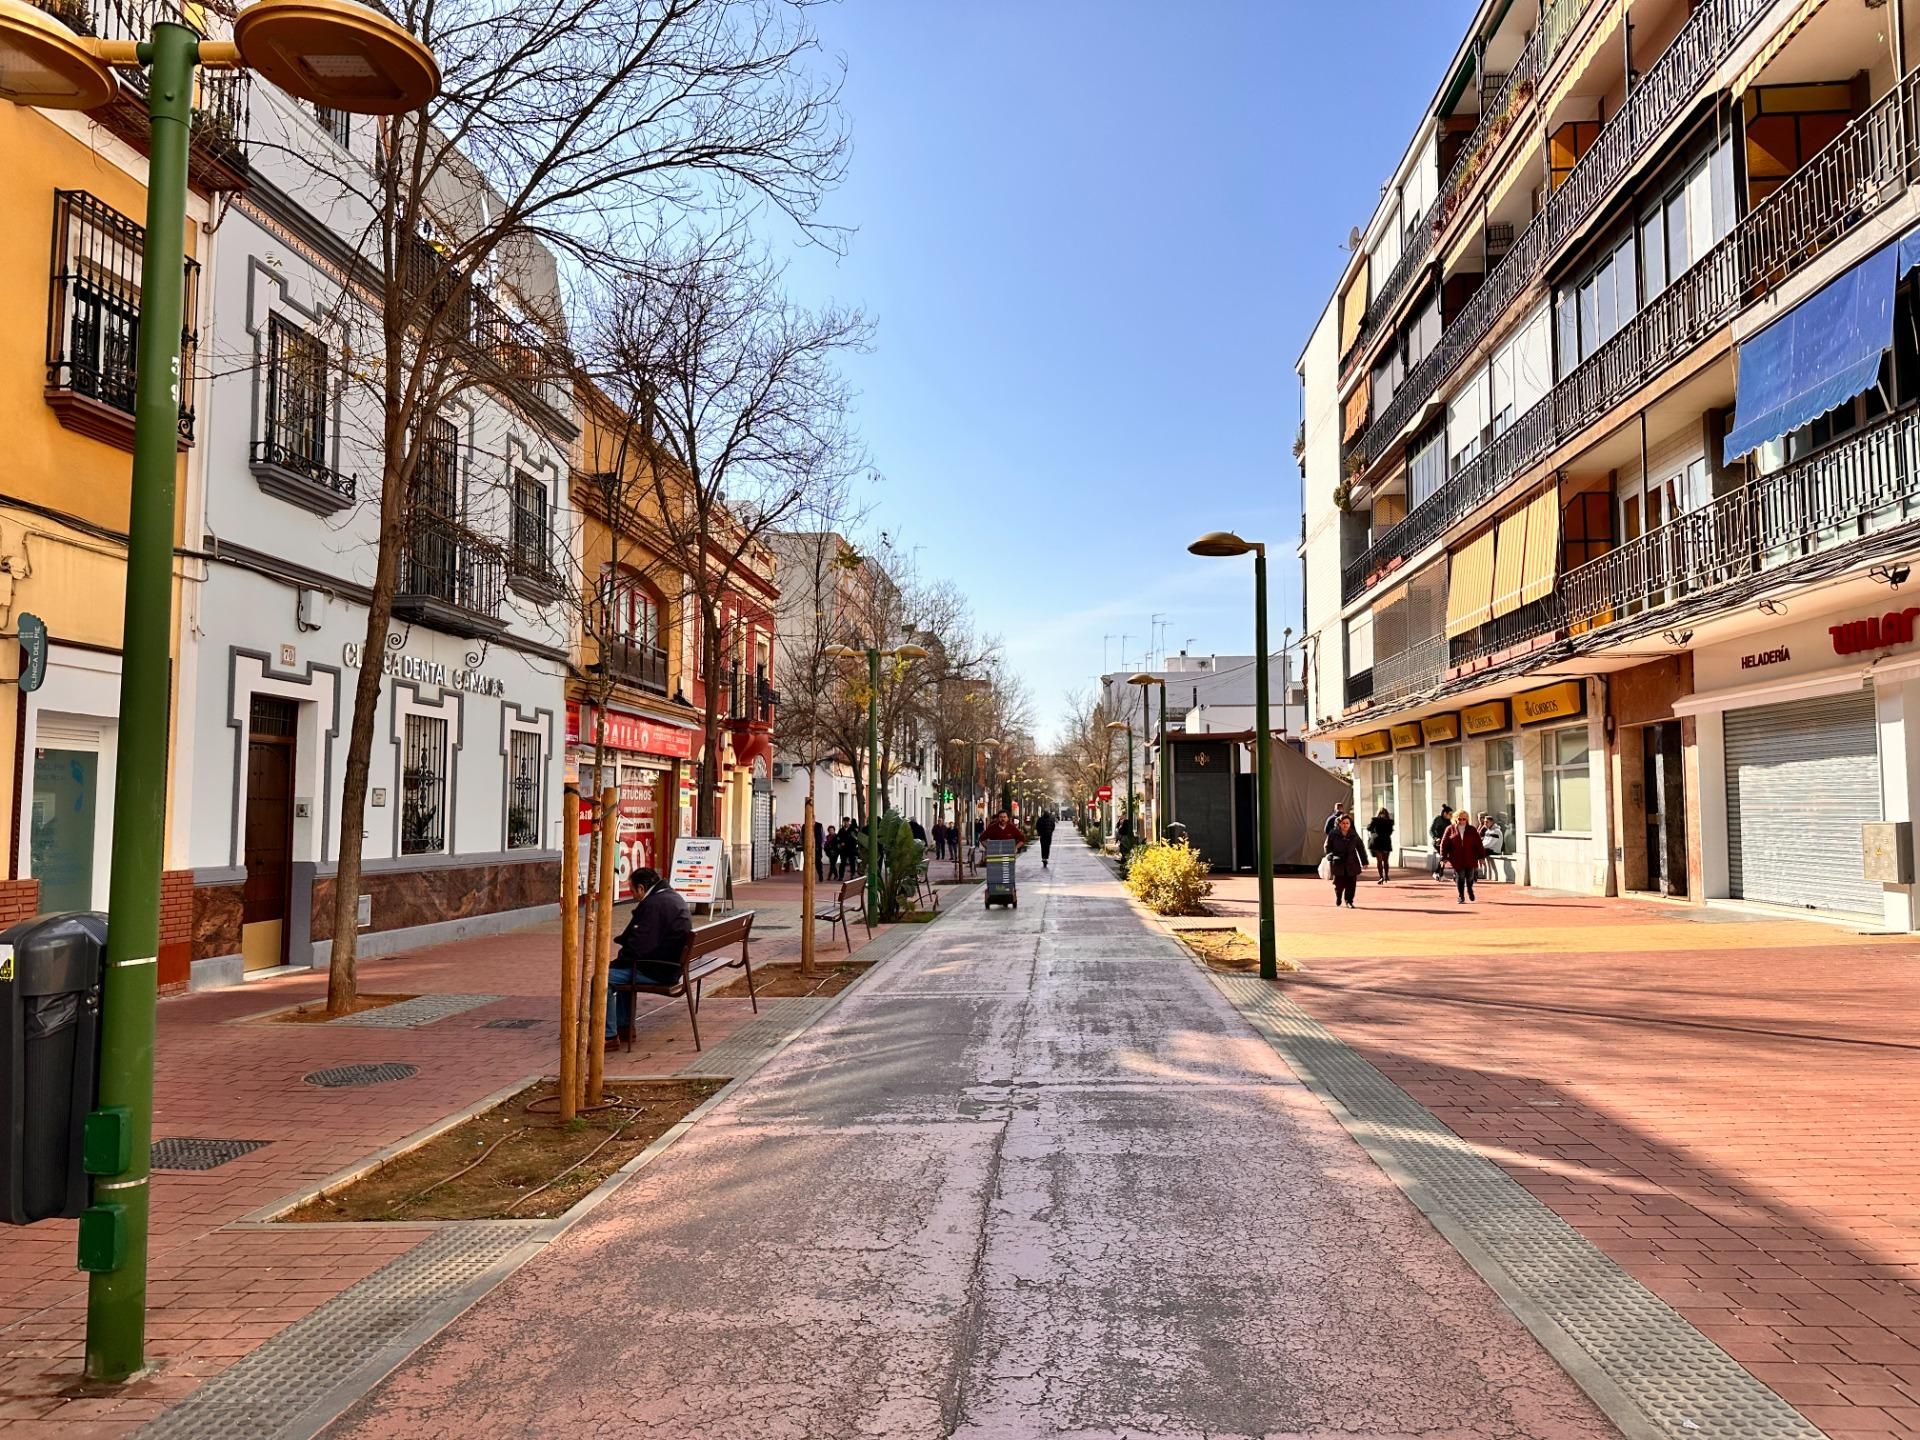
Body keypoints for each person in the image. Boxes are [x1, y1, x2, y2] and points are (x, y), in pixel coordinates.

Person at [605, 867, 693, 1044]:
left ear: (641, 888)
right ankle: (624, 1027)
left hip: (659, 970)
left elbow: (639, 946)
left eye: (632, 891)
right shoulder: (671, 896)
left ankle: (609, 1035)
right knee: (622, 973)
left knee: (602, 979)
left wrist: (618, 961)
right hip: (672, 965)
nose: (633, 896)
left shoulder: (653, 905)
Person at [1441, 810, 1488, 904]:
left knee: (1470, 877)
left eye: (1464, 819)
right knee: (1460, 877)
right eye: (1459, 819)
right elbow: (1444, 843)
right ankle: (1461, 896)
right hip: (1456, 858)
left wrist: (1481, 857)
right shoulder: (1450, 829)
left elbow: (1479, 844)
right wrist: (1443, 857)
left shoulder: (1472, 830)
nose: (1462, 821)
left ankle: (1470, 889)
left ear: (1467, 820)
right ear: (1455, 819)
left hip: (1470, 857)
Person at [1323, 812, 1366, 908]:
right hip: (1338, 862)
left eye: (1347, 823)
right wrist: (1330, 854)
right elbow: (1327, 846)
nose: (1345, 825)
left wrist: (1364, 862)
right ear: (1339, 824)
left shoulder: (1354, 834)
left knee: (1351, 883)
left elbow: (1360, 848)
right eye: (1343, 823)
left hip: (1352, 862)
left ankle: (1349, 901)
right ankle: (1338, 896)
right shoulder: (1333, 834)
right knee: (1339, 884)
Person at [1365, 806, 1394, 883]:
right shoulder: (1389, 822)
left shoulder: (1375, 820)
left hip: (1377, 841)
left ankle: (1381, 876)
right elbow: (1390, 832)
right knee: (1385, 860)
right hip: (1386, 841)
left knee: (1379, 860)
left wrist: (1374, 832)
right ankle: (1386, 876)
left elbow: (1368, 828)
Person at [1428, 804, 1454, 880]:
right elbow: (1431, 830)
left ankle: (1438, 873)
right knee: (1444, 857)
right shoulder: (1437, 819)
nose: (1451, 816)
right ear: (1445, 813)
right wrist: (1435, 838)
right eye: (1450, 814)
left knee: (1444, 858)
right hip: (1438, 843)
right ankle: (1438, 873)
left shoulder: (1449, 821)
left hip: (1446, 842)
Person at [812, 818, 828, 882]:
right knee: (808, 862)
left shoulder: (819, 825)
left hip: (817, 847)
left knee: (818, 862)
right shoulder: (804, 826)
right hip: (808, 848)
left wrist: (822, 845)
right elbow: (802, 837)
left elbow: (823, 836)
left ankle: (820, 875)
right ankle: (809, 877)